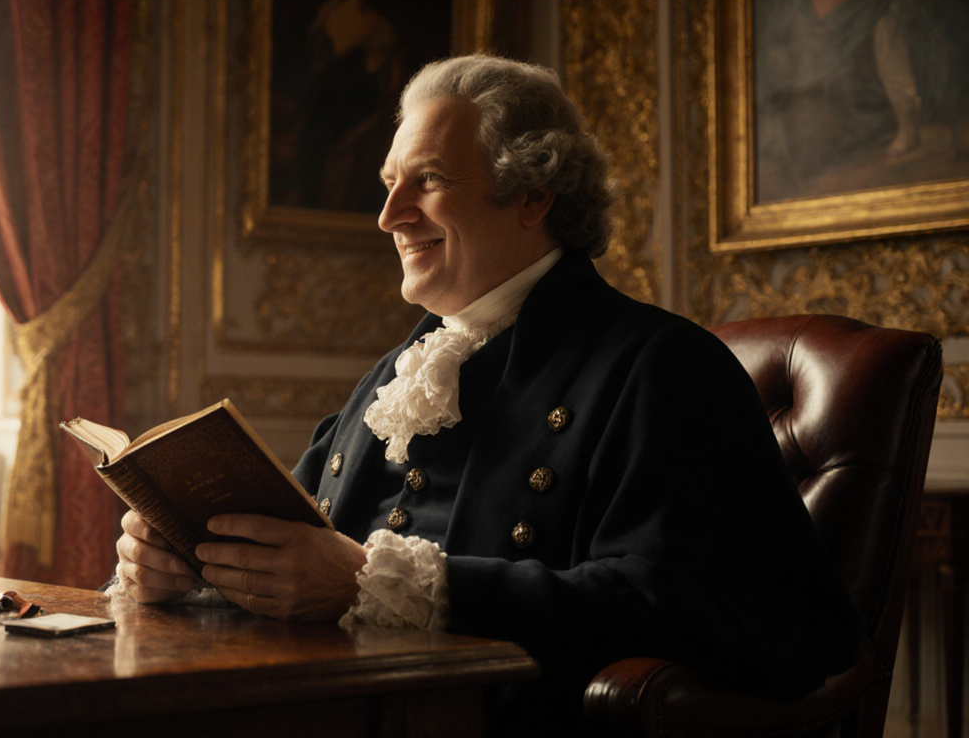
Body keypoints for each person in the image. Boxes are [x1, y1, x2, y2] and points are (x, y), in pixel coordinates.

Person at [111, 55, 863, 733]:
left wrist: (379, 583)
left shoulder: (662, 367)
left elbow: (699, 607)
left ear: (533, 192)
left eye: (427, 181)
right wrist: (194, 568)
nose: (389, 215)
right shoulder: (393, 376)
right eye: (388, 183)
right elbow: (299, 553)